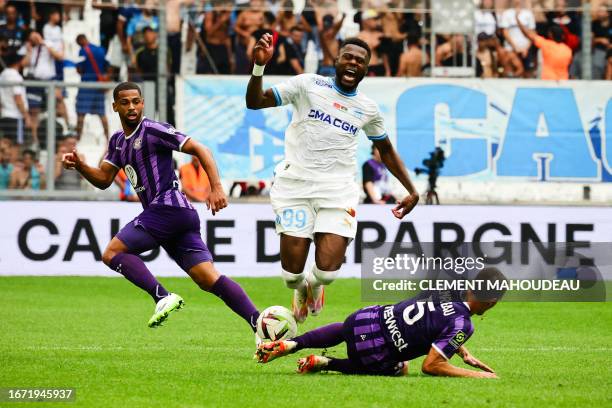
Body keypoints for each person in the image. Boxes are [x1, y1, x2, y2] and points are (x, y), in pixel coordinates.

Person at [61, 82, 260, 334]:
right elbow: (103, 179)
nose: (132, 107)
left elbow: (201, 148)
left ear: (143, 103)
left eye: (136, 101)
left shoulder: (154, 130)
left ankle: (162, 296)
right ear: (115, 107)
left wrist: (216, 187)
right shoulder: (118, 142)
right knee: (207, 278)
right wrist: (80, 165)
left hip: (168, 207)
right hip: (177, 215)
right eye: (125, 102)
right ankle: (259, 322)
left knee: (111, 253)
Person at [246, 35, 419, 323]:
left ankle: (315, 286)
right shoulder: (308, 85)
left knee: (326, 272)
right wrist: (258, 68)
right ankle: (300, 287)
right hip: (294, 187)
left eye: (360, 60)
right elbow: (255, 102)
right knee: (290, 276)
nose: (353, 62)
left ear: (366, 69)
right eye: (348, 57)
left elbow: (385, 149)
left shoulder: (367, 108)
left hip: (337, 190)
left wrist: (412, 190)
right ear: (336, 61)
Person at [255, 268, 505, 377]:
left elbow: (436, 318)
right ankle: (327, 362)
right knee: (401, 367)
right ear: (492, 302)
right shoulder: (464, 325)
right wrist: (477, 375)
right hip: (373, 350)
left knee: (346, 328)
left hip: (364, 318)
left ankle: (294, 343)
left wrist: (459, 349)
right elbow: (430, 366)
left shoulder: (446, 289)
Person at [75, 34, 111, 141]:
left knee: (81, 113)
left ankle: (77, 139)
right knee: (102, 114)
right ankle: (108, 138)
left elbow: (79, 69)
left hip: (86, 86)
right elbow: (108, 66)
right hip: (99, 86)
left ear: (79, 42)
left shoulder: (82, 51)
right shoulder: (101, 49)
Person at [516, 16, 571, 81]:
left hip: (548, 80)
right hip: (564, 81)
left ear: (550, 35)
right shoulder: (568, 50)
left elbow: (528, 34)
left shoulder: (546, 45)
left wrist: (518, 21)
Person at [0, 52, 31, 144]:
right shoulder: (15, 76)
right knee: (16, 145)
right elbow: (18, 98)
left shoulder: (2, 75)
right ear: (18, 62)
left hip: (5, 114)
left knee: (6, 143)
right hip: (15, 116)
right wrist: (26, 116)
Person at [500, 0, 536, 78]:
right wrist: (515, 47)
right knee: (511, 70)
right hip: (511, 49)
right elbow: (505, 32)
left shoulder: (528, 14)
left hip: (525, 50)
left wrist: (526, 48)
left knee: (527, 73)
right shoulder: (506, 13)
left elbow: (532, 33)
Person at [317, 12, 345, 76]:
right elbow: (337, 27)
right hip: (330, 68)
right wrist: (343, 18)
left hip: (324, 66)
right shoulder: (329, 34)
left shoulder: (321, 33)